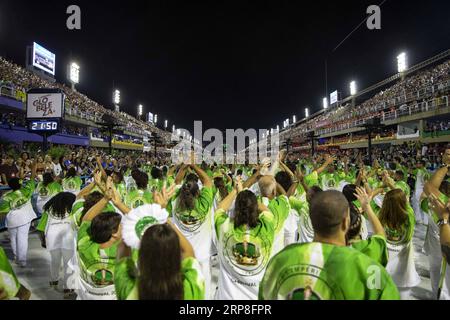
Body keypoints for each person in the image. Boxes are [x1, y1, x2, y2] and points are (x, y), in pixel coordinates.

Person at [259, 190, 400, 300]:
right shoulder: (367, 262)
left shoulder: (281, 259)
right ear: (346, 223)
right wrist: (367, 208)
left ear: (312, 222)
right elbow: (381, 237)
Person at [214, 176, 275, 300]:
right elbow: (266, 211)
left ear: (236, 208)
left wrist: (236, 191)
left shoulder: (225, 228)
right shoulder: (266, 228)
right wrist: (247, 198)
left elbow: (220, 209)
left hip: (227, 297)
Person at [75, 177, 130, 300]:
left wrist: (105, 199)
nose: (123, 227)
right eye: (120, 225)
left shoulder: (84, 244)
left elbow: (86, 220)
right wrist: (118, 203)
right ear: (114, 233)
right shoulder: (125, 250)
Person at [170, 161, 214, 298]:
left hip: (180, 256)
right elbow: (207, 181)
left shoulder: (175, 203)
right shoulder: (204, 205)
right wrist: (194, 165)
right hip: (202, 257)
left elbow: (176, 181)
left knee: (182, 293)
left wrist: (184, 167)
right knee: (203, 293)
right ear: (198, 193)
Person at [379, 189, 420, 299]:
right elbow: (405, 206)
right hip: (403, 264)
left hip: (385, 261)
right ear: (403, 202)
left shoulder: (381, 216)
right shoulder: (409, 216)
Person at [0, 161, 36, 267]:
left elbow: (3, 213)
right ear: (20, 184)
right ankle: (22, 261)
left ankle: (16, 257)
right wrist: (32, 167)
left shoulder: (6, 197)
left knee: (13, 238)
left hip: (12, 220)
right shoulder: (27, 189)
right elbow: (33, 178)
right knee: (22, 238)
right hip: (25, 219)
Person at [42, 192, 77, 296]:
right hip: (68, 239)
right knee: (69, 264)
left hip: (52, 239)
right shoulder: (73, 208)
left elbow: (42, 226)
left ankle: (54, 280)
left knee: (54, 261)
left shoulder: (49, 208)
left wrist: (43, 240)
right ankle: (68, 288)